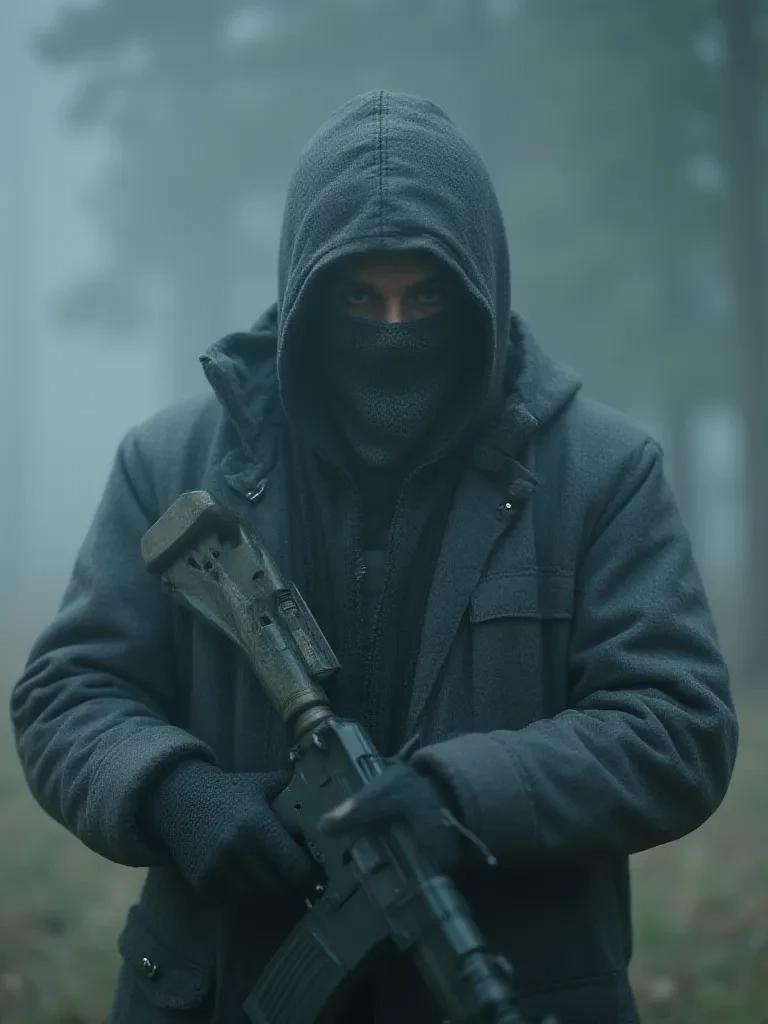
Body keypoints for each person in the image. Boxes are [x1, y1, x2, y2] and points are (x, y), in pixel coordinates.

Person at [10, 91, 738, 1024]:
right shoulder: (172, 465)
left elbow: (677, 726)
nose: (393, 330)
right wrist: (173, 794)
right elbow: (69, 693)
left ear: (480, 291)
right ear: (305, 292)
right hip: (218, 985)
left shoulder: (601, 474)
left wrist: (462, 797)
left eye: (426, 297)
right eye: (360, 297)